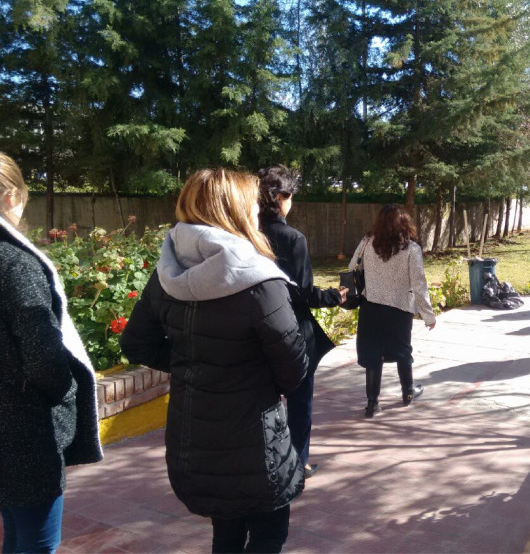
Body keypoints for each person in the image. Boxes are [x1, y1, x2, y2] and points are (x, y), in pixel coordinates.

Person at [120, 168, 308, 554]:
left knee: (225, 533)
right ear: (236, 211)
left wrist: (195, 363)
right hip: (256, 446)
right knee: (269, 535)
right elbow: (293, 369)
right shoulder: (258, 281)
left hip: (196, 440)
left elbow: (137, 343)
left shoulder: (167, 273)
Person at [0, 152, 103, 554]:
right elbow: (44, 356)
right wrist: (65, 393)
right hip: (25, 431)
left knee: (14, 529)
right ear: (11, 196)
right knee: (38, 543)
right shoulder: (15, 264)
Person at [256, 165, 346, 479]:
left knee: (262, 400)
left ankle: (262, 459)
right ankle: (297, 462)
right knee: (299, 401)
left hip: (254, 328)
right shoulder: (292, 238)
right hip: (291, 330)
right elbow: (304, 293)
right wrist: (336, 295)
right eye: (290, 195)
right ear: (281, 197)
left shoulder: (247, 233)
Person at [348, 204, 436, 418]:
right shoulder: (411, 249)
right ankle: (408, 393)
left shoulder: (367, 242)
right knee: (403, 350)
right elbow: (419, 283)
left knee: (372, 353)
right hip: (400, 308)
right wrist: (428, 314)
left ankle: (372, 404)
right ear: (405, 223)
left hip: (371, 306)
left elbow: (351, 269)